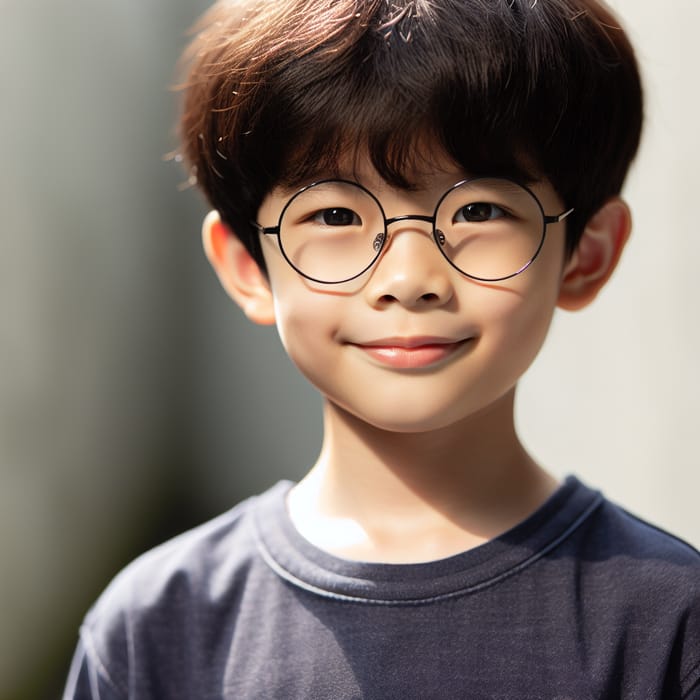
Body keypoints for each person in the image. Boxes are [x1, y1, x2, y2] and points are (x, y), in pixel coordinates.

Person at [64, 0, 700, 697]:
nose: (408, 280)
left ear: (586, 256)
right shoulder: (157, 625)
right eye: (334, 215)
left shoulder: (668, 620)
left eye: (479, 211)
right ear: (248, 268)